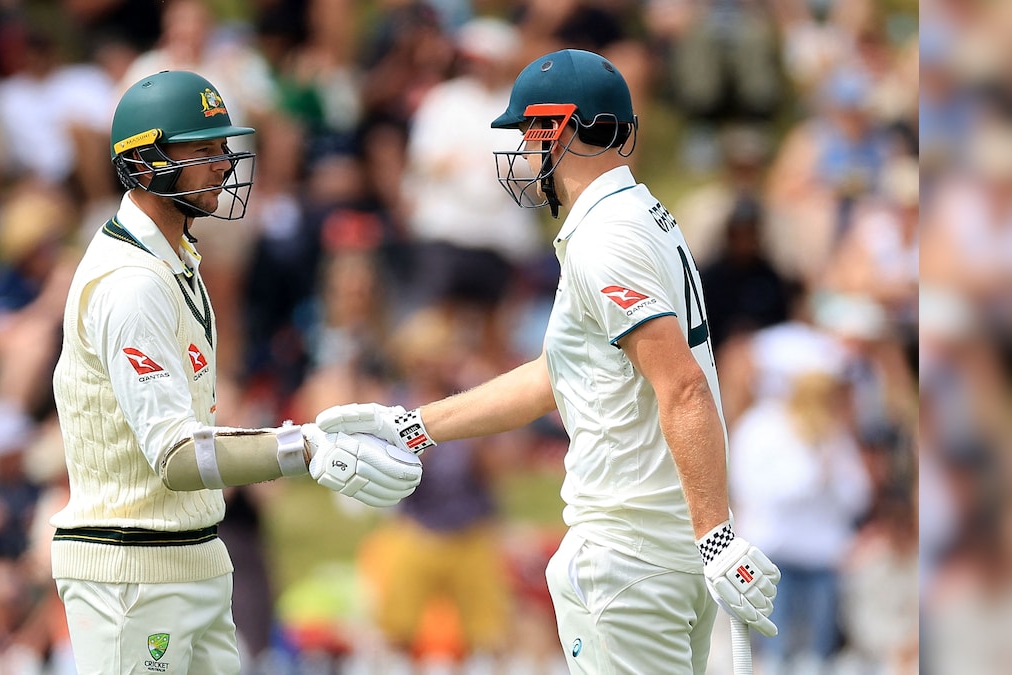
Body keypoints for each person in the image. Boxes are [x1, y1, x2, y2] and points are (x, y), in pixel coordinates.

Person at [318, 49, 780, 673]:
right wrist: (414, 426)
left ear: (556, 129)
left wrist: (716, 534)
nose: (518, 154)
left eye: (524, 133)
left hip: (627, 556)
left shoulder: (605, 239)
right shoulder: (638, 217)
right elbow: (555, 375)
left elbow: (684, 387)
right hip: (657, 555)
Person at [48, 70, 422, 675]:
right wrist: (304, 447)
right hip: (131, 570)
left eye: (223, 147)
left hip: (194, 555)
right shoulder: (132, 284)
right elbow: (174, 457)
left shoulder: (178, 258)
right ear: (144, 164)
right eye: (201, 149)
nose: (223, 164)